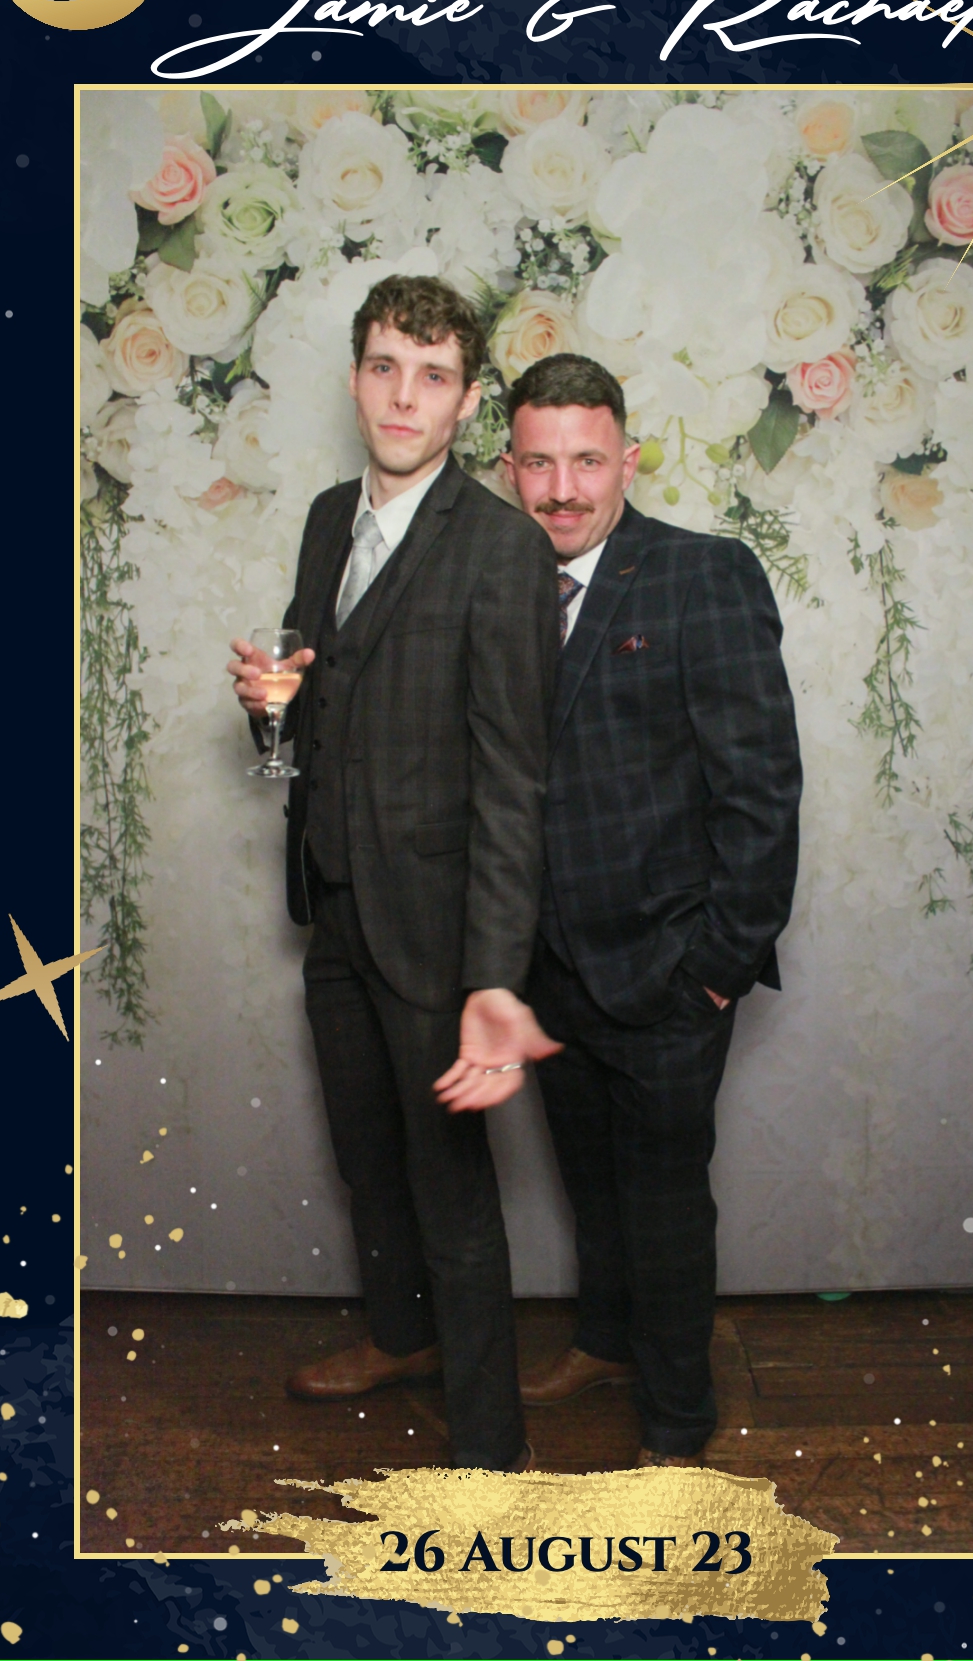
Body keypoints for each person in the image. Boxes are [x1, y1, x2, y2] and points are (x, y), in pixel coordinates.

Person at [227, 274, 560, 1472]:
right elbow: (313, 704)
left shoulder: (502, 548)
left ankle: (491, 1454)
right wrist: (267, 706)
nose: (402, 397)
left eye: (431, 376)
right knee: (366, 1155)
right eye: (383, 368)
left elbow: (515, 780)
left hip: (436, 934)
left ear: (466, 402)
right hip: (333, 905)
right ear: (355, 379)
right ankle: (402, 1336)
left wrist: (492, 975)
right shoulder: (329, 517)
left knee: (450, 1191)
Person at [493, 351, 802, 1467]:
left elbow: (760, 787)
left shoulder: (701, 574)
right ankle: (605, 1344)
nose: (562, 488)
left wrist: (717, 965)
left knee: (664, 1202)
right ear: (509, 469)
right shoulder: (497, 587)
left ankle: (677, 1423)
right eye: (539, 463)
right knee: (591, 1183)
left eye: (586, 461)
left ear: (628, 461)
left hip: (669, 968)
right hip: (544, 968)